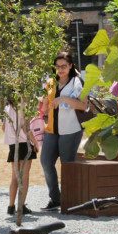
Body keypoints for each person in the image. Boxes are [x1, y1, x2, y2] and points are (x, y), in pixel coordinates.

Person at [40, 52, 88, 210]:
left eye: (64, 66)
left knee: (67, 166)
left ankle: (70, 200)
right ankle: (55, 198)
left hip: (71, 130)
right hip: (52, 129)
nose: (60, 69)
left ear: (70, 66)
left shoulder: (77, 81)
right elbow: (45, 106)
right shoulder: (51, 82)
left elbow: (83, 106)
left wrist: (64, 100)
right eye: (58, 66)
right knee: (46, 162)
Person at [3, 102, 37, 217]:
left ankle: (11, 206)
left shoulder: (7, 108)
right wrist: (36, 143)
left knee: (14, 177)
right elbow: (25, 127)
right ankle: (21, 206)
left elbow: (3, 127)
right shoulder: (22, 105)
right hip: (24, 143)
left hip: (12, 144)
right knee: (24, 177)